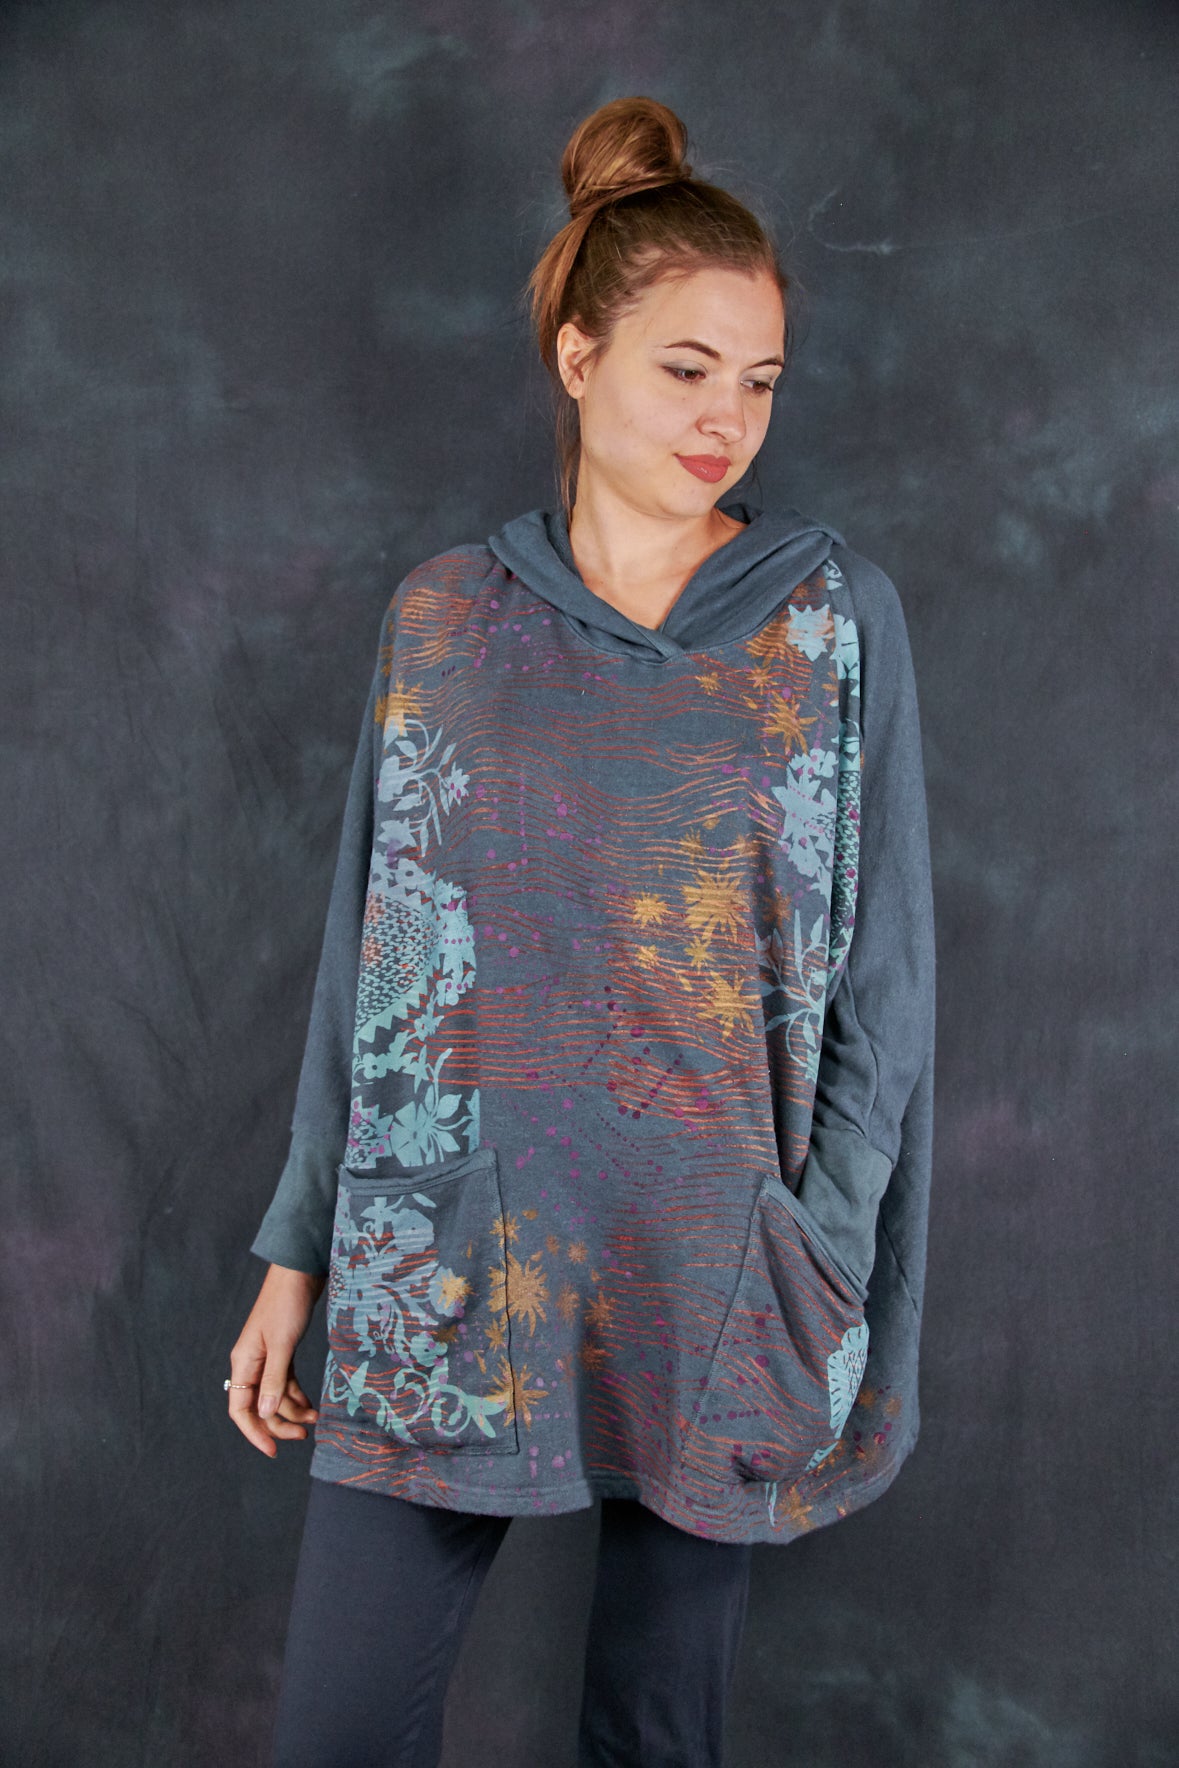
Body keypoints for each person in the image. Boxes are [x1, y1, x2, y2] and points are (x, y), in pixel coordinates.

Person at [227, 95, 936, 1768]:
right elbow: (375, 960)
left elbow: (887, 980)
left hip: (719, 1259)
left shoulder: (832, 623)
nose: (726, 419)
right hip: (447, 1245)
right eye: (686, 369)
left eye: (759, 380)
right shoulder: (443, 621)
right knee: (339, 1729)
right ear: (576, 356)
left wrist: (823, 1245)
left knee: (652, 1737)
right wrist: (300, 1243)